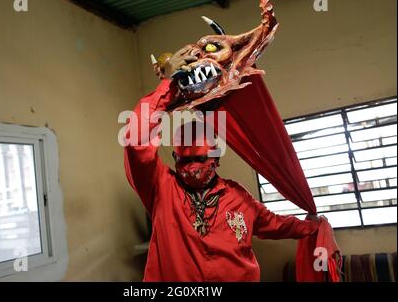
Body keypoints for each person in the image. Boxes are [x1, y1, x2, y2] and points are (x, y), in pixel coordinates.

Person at [123, 60, 321, 282]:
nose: (192, 167)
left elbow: (275, 224)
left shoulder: (237, 196)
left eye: (200, 158)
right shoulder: (161, 188)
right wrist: (170, 87)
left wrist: (311, 226)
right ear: (175, 158)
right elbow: (135, 140)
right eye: (184, 160)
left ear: (216, 159)